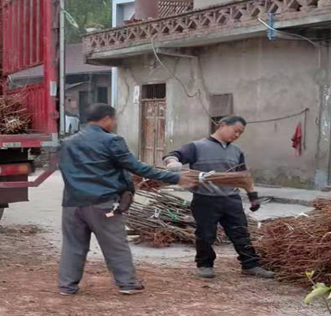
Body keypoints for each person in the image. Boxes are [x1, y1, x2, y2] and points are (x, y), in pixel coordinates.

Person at [58, 103, 197, 296]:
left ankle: (67, 286)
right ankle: (127, 283)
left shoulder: (68, 142)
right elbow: (137, 167)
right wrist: (175, 177)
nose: (114, 124)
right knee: (115, 243)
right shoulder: (112, 141)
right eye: (113, 120)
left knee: (73, 245)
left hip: (72, 205)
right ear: (106, 119)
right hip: (103, 205)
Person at [164, 116, 274, 280]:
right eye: (235, 130)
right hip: (205, 199)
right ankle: (205, 265)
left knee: (241, 232)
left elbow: (243, 177)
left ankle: (251, 265)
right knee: (206, 235)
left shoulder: (236, 151)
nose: (237, 135)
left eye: (240, 133)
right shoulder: (197, 146)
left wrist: (253, 196)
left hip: (231, 199)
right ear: (223, 126)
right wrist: (172, 162)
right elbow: (173, 155)